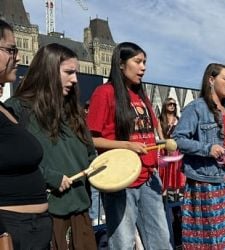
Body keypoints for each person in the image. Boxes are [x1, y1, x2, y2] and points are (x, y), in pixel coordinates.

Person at [5, 43, 96, 249]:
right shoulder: (18, 108)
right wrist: (50, 177)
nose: (75, 79)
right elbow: (11, 164)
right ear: (49, 70)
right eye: (68, 72)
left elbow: (90, 156)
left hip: (81, 214)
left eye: (76, 73)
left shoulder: (75, 113)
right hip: (44, 217)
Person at [86, 42, 170, 249]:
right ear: (121, 64)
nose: (143, 67)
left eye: (145, 62)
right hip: (121, 181)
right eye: (138, 62)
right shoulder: (104, 92)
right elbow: (90, 139)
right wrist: (126, 145)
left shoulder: (142, 96)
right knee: (123, 243)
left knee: (160, 241)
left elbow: (149, 134)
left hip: (149, 179)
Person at [171, 63, 225, 249]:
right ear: (211, 80)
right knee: (213, 228)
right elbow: (178, 139)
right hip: (208, 176)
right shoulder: (196, 108)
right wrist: (208, 148)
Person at [0, 19, 52, 250]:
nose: (18, 57)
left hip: (31, 229)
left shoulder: (5, 110)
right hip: (12, 230)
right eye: (11, 49)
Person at [157, 97, 185, 193]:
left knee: (176, 170)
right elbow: (160, 134)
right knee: (164, 171)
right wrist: (166, 145)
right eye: (170, 104)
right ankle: (163, 192)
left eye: (174, 104)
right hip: (164, 147)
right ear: (165, 105)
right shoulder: (160, 119)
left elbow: (180, 134)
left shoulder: (178, 119)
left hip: (176, 148)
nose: (172, 106)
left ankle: (176, 193)